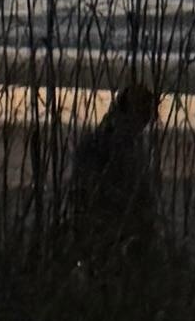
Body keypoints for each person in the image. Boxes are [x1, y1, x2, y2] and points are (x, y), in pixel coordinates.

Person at [67, 74, 162, 249]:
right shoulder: (105, 141)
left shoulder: (133, 142)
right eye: (145, 115)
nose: (146, 123)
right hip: (105, 227)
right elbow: (91, 188)